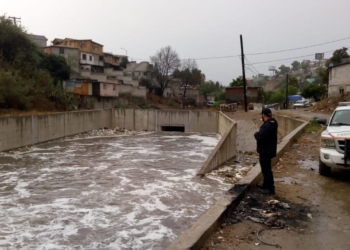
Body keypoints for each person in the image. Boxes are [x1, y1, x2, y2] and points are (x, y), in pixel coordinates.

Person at [254, 108, 278, 195]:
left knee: (266, 170)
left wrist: (256, 134)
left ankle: (270, 188)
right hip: (269, 150)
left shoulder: (267, 126)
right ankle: (265, 185)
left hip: (265, 151)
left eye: (262, 114)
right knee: (266, 169)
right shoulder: (273, 123)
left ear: (263, 115)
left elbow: (260, 138)